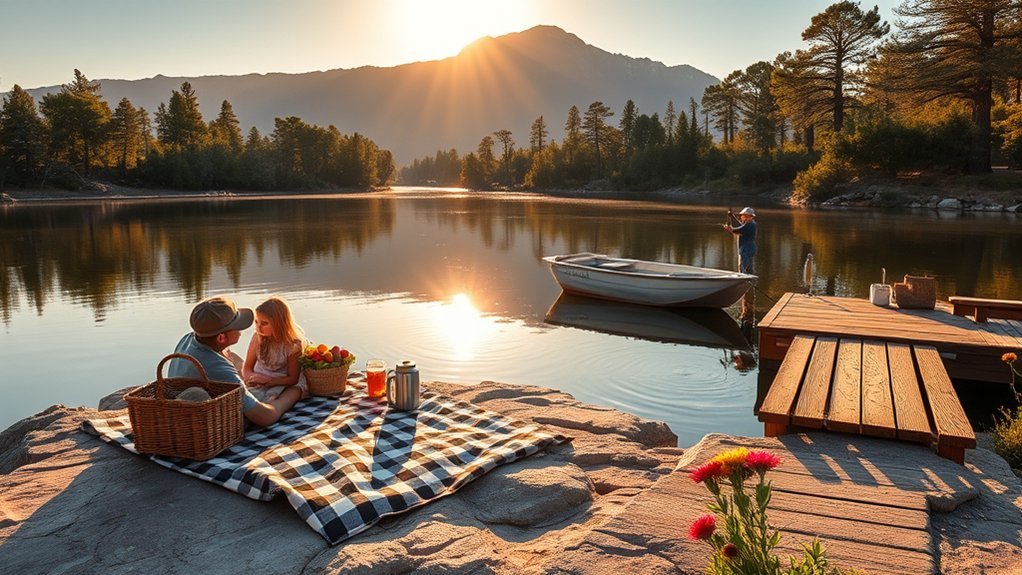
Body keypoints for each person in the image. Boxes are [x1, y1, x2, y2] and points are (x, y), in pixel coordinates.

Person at [168, 296, 303, 427]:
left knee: (235, 360)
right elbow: (265, 417)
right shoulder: (219, 368)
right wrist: (291, 395)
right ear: (221, 338)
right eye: (237, 326)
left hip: (183, 401)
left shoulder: (188, 339)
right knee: (291, 392)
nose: (241, 330)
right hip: (207, 421)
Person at [242, 296, 308, 402]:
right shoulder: (257, 337)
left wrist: (269, 381)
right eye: (256, 322)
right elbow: (247, 368)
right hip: (257, 380)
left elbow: (293, 378)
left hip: (280, 382)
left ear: (279, 323)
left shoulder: (293, 345)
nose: (258, 327)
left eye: (264, 323)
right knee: (243, 398)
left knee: (270, 400)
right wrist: (250, 377)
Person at [723, 207, 757, 274]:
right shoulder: (749, 223)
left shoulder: (749, 225)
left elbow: (737, 230)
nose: (741, 217)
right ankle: (748, 279)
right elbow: (739, 226)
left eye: (742, 215)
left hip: (746, 249)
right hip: (749, 249)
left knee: (743, 268)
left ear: (747, 216)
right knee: (747, 268)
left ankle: (744, 279)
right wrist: (732, 216)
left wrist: (729, 229)